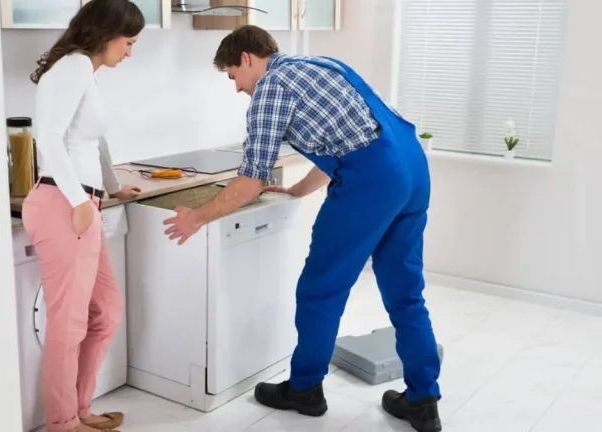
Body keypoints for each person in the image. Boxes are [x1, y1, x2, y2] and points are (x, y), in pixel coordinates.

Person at [162, 25, 443, 432]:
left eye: (232, 76)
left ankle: (305, 389)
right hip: (412, 169)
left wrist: (196, 217)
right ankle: (423, 400)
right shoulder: (322, 64)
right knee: (405, 293)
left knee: (320, 290)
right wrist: (297, 188)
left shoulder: (271, 88)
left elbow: (250, 180)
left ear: (246, 59)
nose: (238, 88)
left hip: (373, 182)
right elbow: (350, 141)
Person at [22, 1, 144, 431]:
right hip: (61, 203)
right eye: (128, 43)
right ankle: (62, 423)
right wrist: (78, 201)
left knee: (106, 311)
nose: (130, 53)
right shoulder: (73, 66)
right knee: (69, 322)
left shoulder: (84, 72)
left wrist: (110, 188)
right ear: (107, 33)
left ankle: (80, 409)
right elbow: (48, 137)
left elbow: (92, 142)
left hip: (83, 204)